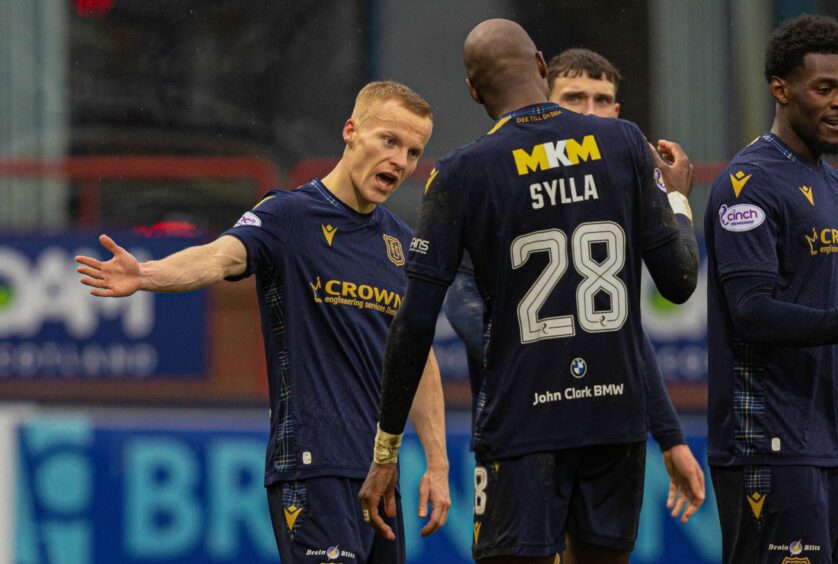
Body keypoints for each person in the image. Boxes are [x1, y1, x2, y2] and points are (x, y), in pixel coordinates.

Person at [361, 19, 699, 564]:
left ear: (473, 91)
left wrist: (387, 447)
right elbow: (680, 283)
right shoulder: (624, 141)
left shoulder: (461, 172)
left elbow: (415, 322)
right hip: (615, 422)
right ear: (541, 65)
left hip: (524, 422)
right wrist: (678, 200)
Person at [75, 81, 451, 564]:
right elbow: (218, 257)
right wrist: (146, 273)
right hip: (311, 467)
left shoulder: (400, 243)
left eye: (414, 151)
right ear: (351, 131)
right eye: (389, 141)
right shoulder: (288, 215)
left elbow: (416, 358)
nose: (400, 161)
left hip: (380, 475)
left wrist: (437, 463)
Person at [442, 46, 705, 525]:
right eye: (574, 98)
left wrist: (670, 436)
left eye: (602, 100)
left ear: (617, 111)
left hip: (604, 428)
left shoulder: (623, 185)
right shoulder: (491, 173)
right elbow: (459, 296)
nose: (589, 112)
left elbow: (624, 330)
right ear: (541, 98)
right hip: (521, 424)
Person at [705, 14, 838, 563]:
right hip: (769, 445)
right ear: (781, 89)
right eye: (824, 88)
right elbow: (752, 313)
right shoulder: (747, 184)